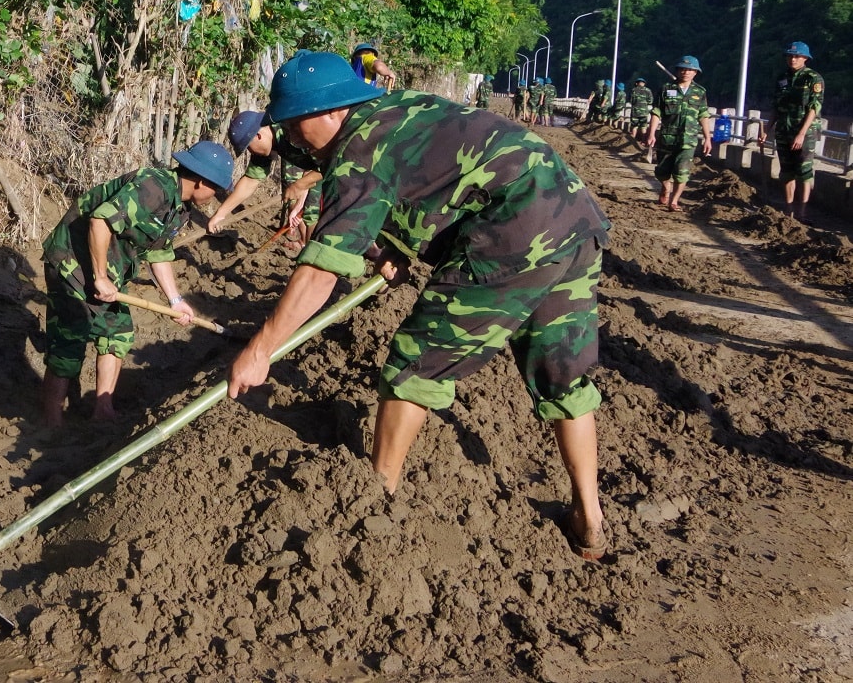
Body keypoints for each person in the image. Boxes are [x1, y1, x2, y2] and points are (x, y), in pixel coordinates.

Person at [226, 51, 611, 560]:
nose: (292, 140)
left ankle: (373, 501)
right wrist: (395, 250)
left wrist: (261, 349)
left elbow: (321, 267)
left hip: (515, 229)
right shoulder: (399, 109)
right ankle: (590, 516)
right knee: (563, 376)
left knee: (413, 363)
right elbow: (434, 185)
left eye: (295, 126)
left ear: (331, 112)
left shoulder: (356, 149)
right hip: (572, 215)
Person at [41, 141, 234, 426]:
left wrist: (175, 300)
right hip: (72, 262)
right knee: (69, 341)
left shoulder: (179, 208)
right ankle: (50, 422)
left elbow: (158, 252)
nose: (216, 196)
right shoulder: (153, 188)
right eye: (216, 189)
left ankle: (102, 410)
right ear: (201, 181)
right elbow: (100, 222)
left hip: (108, 269)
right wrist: (100, 276)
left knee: (117, 333)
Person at [209, 110, 322, 241]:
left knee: (315, 213)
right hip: (319, 168)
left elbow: (331, 160)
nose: (251, 152)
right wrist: (220, 214)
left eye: (249, 148)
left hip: (343, 169)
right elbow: (251, 180)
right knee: (308, 211)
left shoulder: (294, 128)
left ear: (258, 136)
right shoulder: (267, 146)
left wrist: (300, 185)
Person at [762, 41, 826, 221]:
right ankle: (788, 210)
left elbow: (814, 107)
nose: (792, 59)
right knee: (787, 171)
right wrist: (767, 129)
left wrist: (801, 133)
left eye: (796, 56)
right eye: (790, 55)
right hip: (784, 130)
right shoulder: (782, 78)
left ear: (805, 58)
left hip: (804, 132)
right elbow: (776, 106)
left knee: (804, 171)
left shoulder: (813, 78)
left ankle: (802, 212)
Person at [645, 56, 711, 212]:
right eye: (683, 69)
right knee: (662, 171)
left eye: (690, 70)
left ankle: (674, 202)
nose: (686, 72)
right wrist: (651, 133)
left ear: (696, 72)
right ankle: (665, 188)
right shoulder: (666, 89)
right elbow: (656, 112)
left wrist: (708, 138)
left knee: (682, 172)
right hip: (667, 138)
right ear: (678, 71)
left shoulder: (699, 92)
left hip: (688, 140)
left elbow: (703, 115)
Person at [627, 75, 654, 145]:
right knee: (643, 126)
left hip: (635, 111)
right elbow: (651, 101)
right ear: (644, 83)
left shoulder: (633, 90)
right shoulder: (648, 90)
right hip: (644, 112)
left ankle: (632, 141)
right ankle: (643, 141)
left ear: (636, 83)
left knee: (634, 126)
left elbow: (630, 100)